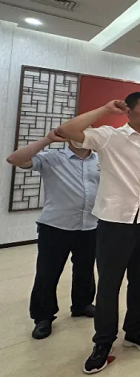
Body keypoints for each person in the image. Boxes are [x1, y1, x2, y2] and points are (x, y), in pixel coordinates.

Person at [56, 93, 140, 374]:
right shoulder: (108, 136)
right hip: (115, 221)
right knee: (109, 284)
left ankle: (135, 330)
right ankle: (103, 341)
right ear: (128, 111)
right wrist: (104, 109)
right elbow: (67, 130)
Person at [6, 129, 99, 340]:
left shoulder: (100, 161)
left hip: (90, 225)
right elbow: (14, 159)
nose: (81, 140)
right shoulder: (52, 158)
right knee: (47, 273)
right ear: (67, 138)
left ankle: (82, 304)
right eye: (77, 135)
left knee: (85, 269)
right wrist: (47, 139)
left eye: (85, 135)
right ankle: (43, 317)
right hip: (56, 226)